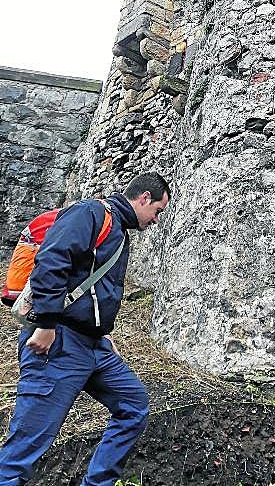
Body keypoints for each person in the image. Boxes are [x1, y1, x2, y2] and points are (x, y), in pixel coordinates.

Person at [0, 172, 170, 486]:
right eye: (157, 211)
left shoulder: (118, 231)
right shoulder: (90, 213)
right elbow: (52, 261)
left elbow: (92, 289)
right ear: (145, 198)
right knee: (29, 440)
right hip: (59, 342)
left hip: (93, 345)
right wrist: (46, 324)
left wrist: (103, 333)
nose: (156, 220)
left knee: (133, 405)